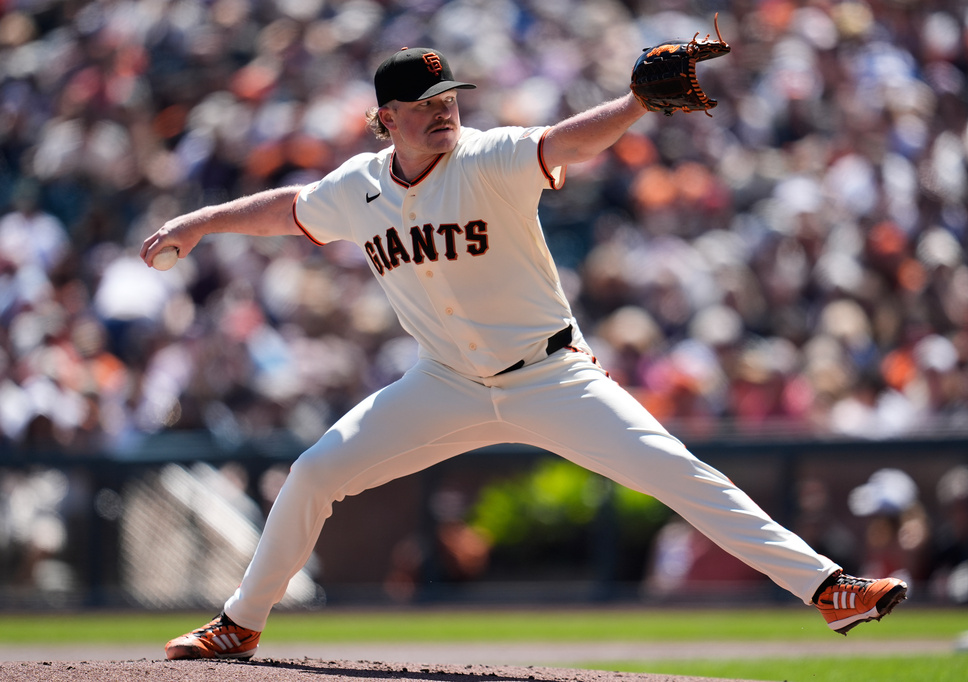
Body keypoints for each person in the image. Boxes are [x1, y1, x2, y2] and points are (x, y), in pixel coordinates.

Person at [146, 46, 907, 661]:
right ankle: (240, 624)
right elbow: (288, 209)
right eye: (425, 105)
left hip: (552, 374)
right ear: (386, 119)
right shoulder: (357, 190)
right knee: (314, 471)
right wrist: (201, 222)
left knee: (678, 471)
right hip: (444, 382)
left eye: (450, 99)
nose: (444, 112)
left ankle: (829, 589)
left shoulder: (491, 157)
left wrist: (637, 103)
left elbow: (565, 140)